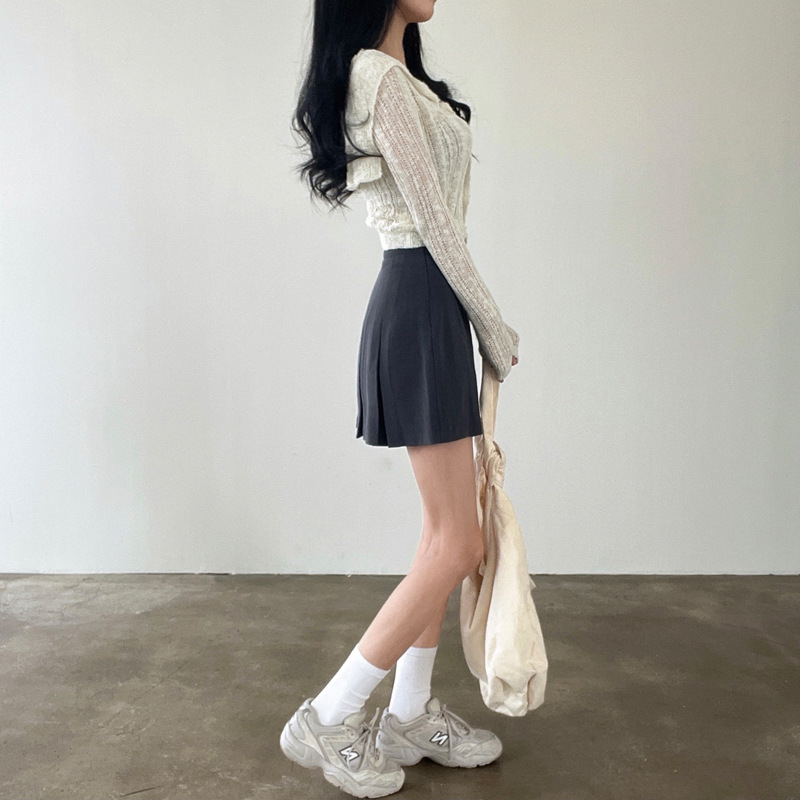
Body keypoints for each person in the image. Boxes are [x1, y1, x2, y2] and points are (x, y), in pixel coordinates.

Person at [282, 1, 519, 796]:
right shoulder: (376, 78)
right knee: (459, 544)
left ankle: (410, 712)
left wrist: (474, 322)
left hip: (430, 302)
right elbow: (435, 226)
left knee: (442, 536)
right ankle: (329, 714)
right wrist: (493, 325)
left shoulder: (400, 78)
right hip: (421, 298)